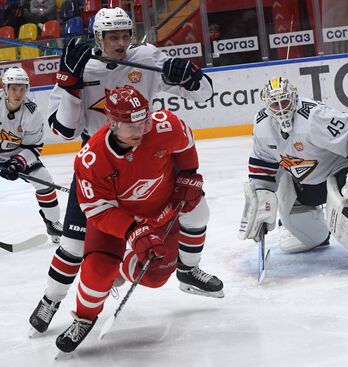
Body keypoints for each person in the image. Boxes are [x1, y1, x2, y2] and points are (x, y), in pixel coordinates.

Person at [29, 7, 216, 335]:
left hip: (149, 157)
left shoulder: (145, 57)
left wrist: (189, 75)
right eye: (112, 36)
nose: (120, 42)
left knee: (196, 209)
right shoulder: (79, 64)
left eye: (125, 34)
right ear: (97, 37)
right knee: (73, 246)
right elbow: (65, 131)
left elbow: (205, 93)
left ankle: (188, 270)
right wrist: (69, 82)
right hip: (101, 165)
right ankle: (51, 299)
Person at [55, 85, 222, 353]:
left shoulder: (163, 125)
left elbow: (186, 143)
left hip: (162, 208)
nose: (140, 130)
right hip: (118, 218)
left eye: (144, 121)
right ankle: (84, 318)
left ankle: (185, 270)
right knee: (98, 269)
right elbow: (97, 210)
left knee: (159, 273)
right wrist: (133, 231)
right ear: (111, 123)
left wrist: (189, 174)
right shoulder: (91, 158)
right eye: (131, 126)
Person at [238, 77, 348, 277]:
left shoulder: (314, 116)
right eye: (274, 104)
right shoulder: (262, 126)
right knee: (295, 225)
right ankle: (316, 234)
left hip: (340, 175)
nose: (280, 109)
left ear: (294, 99)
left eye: (284, 102)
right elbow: (262, 167)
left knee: (341, 210)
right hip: (305, 186)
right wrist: (261, 201)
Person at [0, 67, 63, 243]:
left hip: (17, 154)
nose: (18, 93)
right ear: (5, 88)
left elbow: (34, 146)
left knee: (45, 181)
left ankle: (52, 222)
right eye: (13, 88)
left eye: (22, 88)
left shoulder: (32, 111)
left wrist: (17, 164)